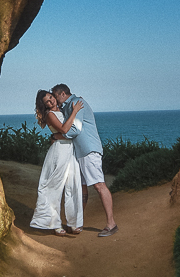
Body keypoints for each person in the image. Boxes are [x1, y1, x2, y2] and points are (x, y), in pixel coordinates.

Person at [52, 84, 117, 237]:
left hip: (89, 150)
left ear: (62, 93)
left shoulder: (77, 103)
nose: (55, 99)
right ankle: (77, 223)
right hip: (80, 152)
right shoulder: (68, 106)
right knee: (82, 188)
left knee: (99, 185)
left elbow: (75, 129)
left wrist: (57, 136)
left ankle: (111, 224)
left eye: (55, 96)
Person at [28, 89, 85, 236]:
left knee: (73, 185)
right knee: (54, 187)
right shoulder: (50, 115)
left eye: (51, 97)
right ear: (44, 105)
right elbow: (65, 130)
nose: (51, 101)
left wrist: (73, 109)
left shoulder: (63, 109)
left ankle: (73, 223)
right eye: (47, 101)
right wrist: (75, 111)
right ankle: (55, 224)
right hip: (59, 152)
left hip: (70, 150)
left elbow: (68, 132)